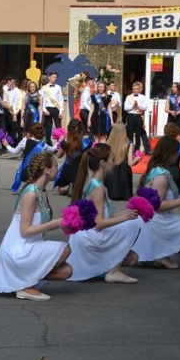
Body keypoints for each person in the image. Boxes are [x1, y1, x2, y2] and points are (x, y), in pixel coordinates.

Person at [0, 152, 72, 301]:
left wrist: (65, 223)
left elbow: (40, 224)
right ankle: (24, 285)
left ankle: (23, 280)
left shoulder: (42, 192)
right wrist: (56, 223)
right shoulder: (31, 194)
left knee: (66, 271)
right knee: (66, 249)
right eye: (55, 166)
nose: (57, 169)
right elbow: (25, 230)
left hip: (31, 244)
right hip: (19, 249)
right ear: (47, 170)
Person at [68, 144, 141, 283]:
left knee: (133, 258)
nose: (115, 163)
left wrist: (130, 210)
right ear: (103, 162)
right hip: (92, 236)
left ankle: (106, 268)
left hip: (91, 234)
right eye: (112, 159)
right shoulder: (98, 188)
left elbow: (108, 215)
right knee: (134, 224)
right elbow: (99, 223)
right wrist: (126, 217)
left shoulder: (97, 184)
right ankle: (113, 271)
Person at [131, 136, 180, 269]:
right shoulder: (161, 175)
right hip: (158, 220)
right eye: (177, 151)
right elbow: (158, 205)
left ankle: (158, 254)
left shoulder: (157, 170)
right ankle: (161, 254)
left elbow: (169, 197)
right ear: (169, 153)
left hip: (158, 218)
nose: (178, 154)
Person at [55, 119, 89, 196]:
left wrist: (60, 143)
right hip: (80, 170)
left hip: (67, 169)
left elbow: (58, 155)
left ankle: (67, 188)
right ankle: (76, 187)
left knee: (60, 189)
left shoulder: (66, 141)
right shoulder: (86, 142)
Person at [103, 122, 136, 201]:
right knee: (126, 168)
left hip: (111, 174)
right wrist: (137, 159)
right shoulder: (128, 143)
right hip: (124, 174)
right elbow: (130, 163)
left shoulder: (108, 143)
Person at [124, 81, 152, 154]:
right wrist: (132, 106)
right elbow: (125, 108)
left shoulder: (143, 97)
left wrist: (138, 106)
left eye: (136, 89)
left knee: (138, 134)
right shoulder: (128, 97)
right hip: (130, 116)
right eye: (134, 89)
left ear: (139, 89)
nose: (135, 90)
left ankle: (137, 150)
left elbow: (145, 107)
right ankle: (130, 150)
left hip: (138, 116)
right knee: (130, 134)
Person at [40, 72, 63, 146]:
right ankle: (49, 145)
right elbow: (42, 100)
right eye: (53, 77)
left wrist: (61, 111)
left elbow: (61, 100)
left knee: (58, 128)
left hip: (56, 108)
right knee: (48, 128)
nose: (54, 78)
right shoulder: (44, 87)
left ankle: (59, 145)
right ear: (49, 77)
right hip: (48, 108)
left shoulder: (58, 87)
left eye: (55, 77)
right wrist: (44, 110)